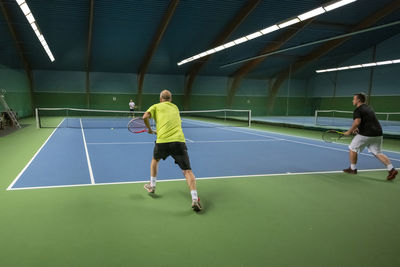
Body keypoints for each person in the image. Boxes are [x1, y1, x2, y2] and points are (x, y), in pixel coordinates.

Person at [142, 90, 202, 212]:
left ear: (160, 99)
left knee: (155, 160)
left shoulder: (156, 106)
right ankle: (195, 199)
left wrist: (149, 129)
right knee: (187, 171)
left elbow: (145, 116)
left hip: (162, 141)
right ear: (171, 99)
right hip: (178, 142)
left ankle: (152, 186)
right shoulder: (175, 107)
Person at [343, 93, 397, 180]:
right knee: (377, 152)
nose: (352, 100)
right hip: (378, 133)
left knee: (352, 148)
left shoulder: (357, 110)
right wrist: (358, 128)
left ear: (358, 100)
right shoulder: (369, 108)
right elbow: (367, 121)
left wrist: (349, 132)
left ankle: (352, 169)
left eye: (354, 99)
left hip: (367, 134)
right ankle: (391, 169)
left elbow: (357, 122)